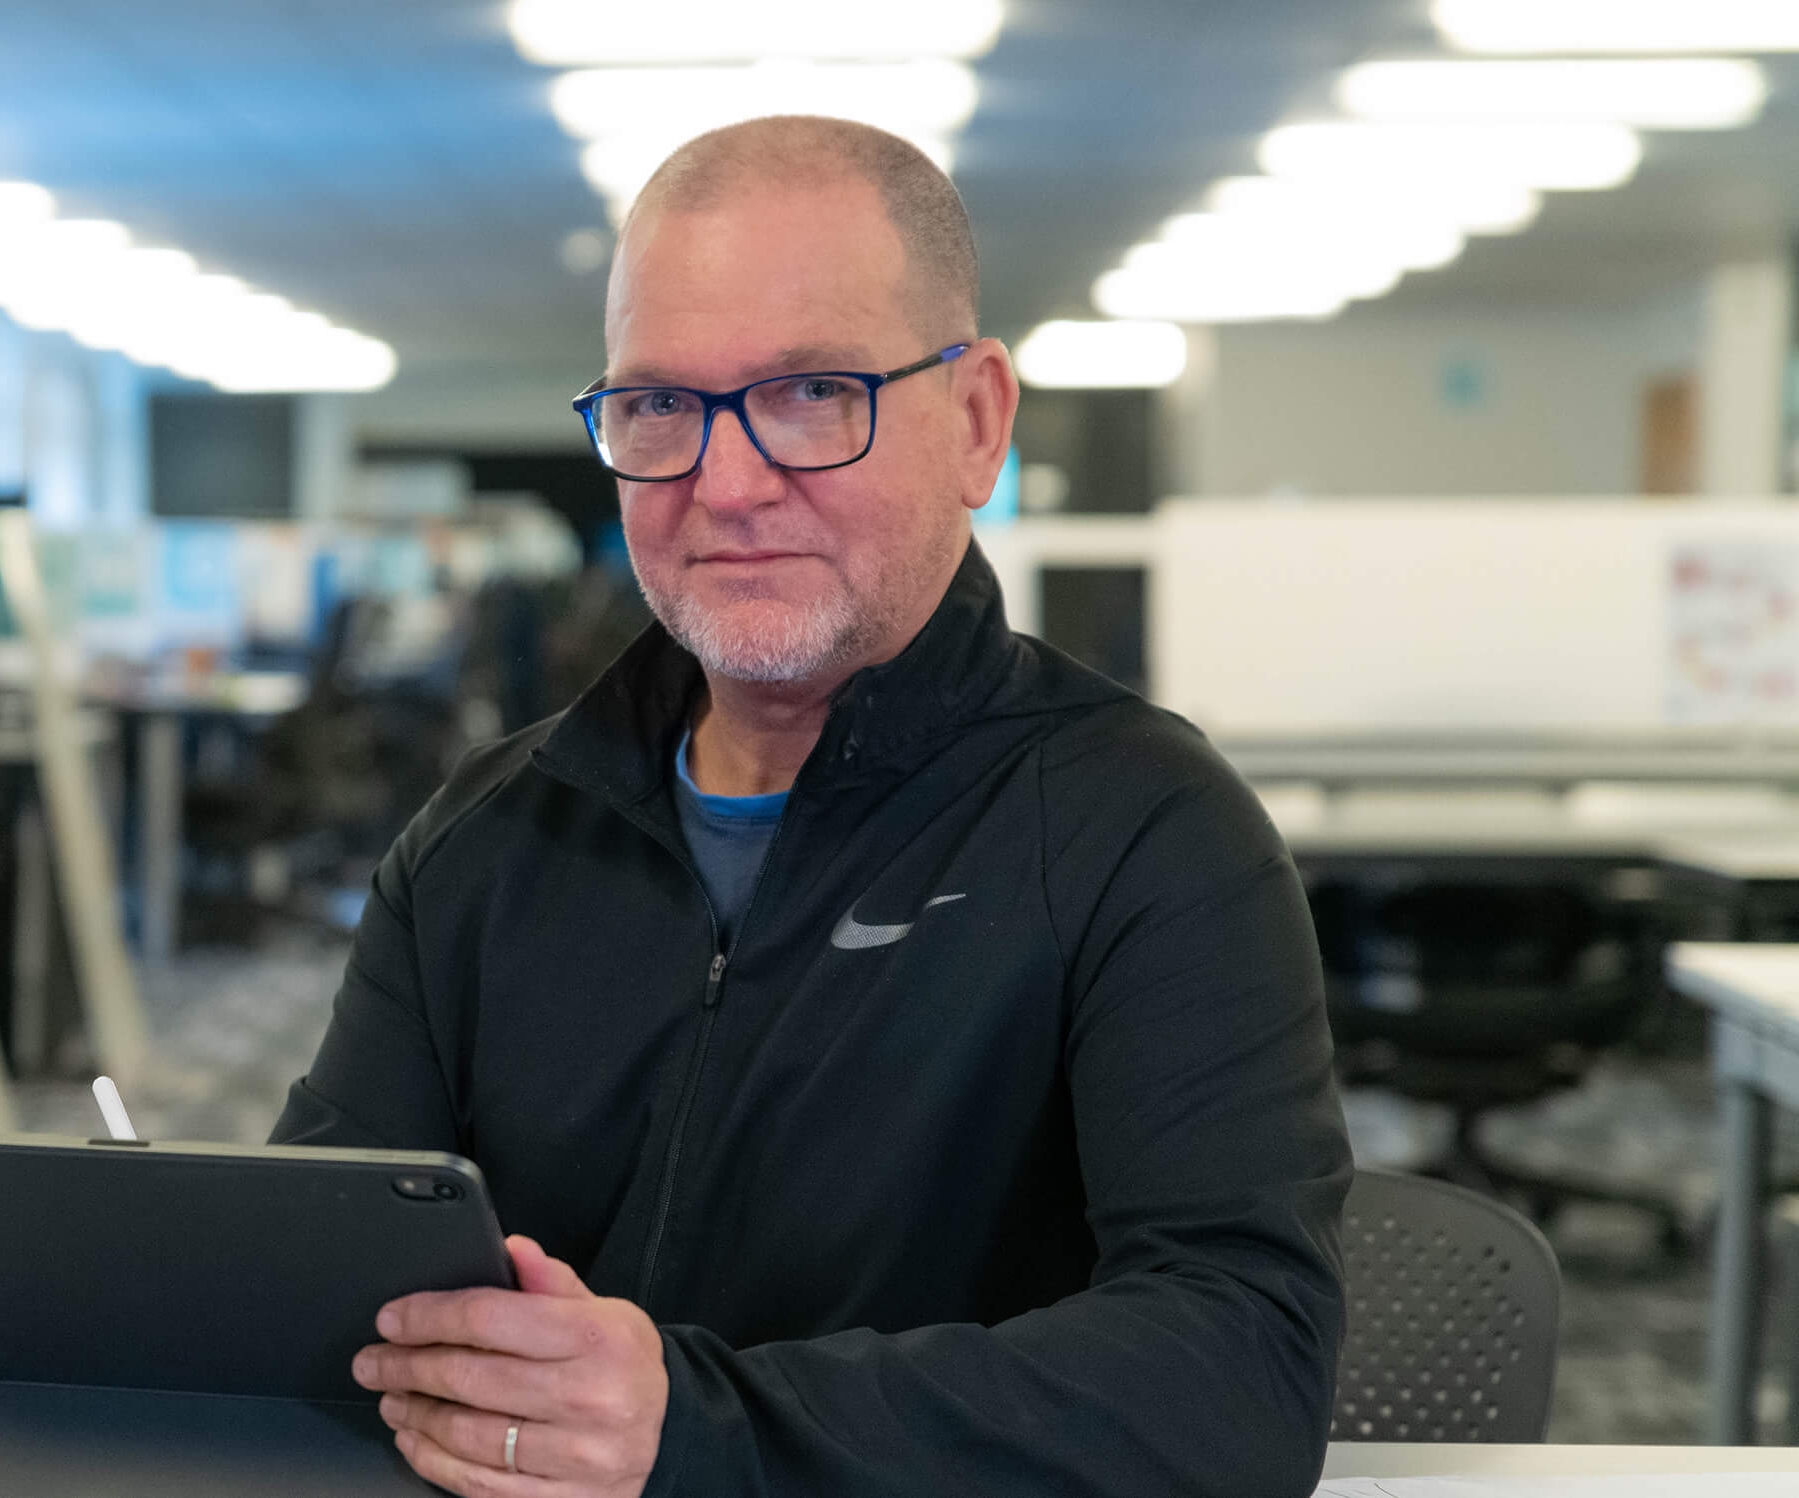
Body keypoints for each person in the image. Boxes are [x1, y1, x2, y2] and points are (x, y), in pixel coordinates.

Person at [278, 115, 1349, 1497]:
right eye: (659, 405)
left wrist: (696, 1427)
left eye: (809, 394)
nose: (726, 483)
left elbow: (1242, 1371)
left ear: (976, 422)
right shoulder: (489, 837)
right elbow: (316, 1276)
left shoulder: (1143, 831)